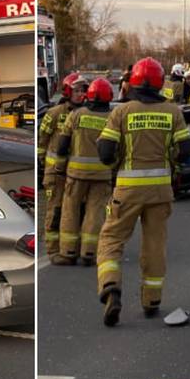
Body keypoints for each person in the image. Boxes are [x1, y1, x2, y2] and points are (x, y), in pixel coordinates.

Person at [95, 57, 190, 326]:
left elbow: (104, 153)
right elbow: (185, 151)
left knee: (110, 240)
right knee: (154, 246)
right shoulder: (173, 112)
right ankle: (152, 300)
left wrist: (118, 159)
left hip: (127, 191)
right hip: (160, 192)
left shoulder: (121, 112)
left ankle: (111, 288)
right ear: (161, 82)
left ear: (134, 82)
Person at [51, 77, 116, 266]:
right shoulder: (112, 118)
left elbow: (62, 146)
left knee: (70, 211)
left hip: (75, 175)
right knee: (95, 213)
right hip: (102, 176)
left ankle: (68, 252)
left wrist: (59, 168)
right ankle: (89, 253)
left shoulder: (77, 115)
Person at [40, 73, 88, 255]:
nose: (81, 94)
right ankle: (53, 250)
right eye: (77, 90)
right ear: (68, 91)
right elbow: (42, 141)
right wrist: (42, 166)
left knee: (78, 211)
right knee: (56, 211)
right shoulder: (54, 114)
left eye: (84, 90)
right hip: (55, 173)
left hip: (76, 173)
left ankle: (72, 248)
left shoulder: (86, 113)